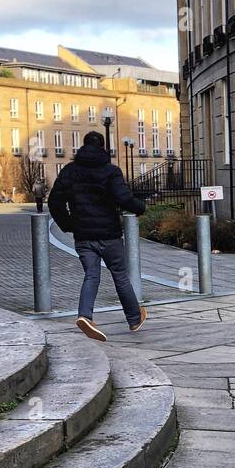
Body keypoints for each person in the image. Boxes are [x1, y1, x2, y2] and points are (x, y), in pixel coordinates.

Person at [48, 131, 148, 341]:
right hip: (109, 234)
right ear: (102, 147)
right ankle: (134, 318)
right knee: (119, 275)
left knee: (91, 275)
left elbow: (54, 202)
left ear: (83, 147)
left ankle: (85, 315)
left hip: (83, 236)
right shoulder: (110, 171)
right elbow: (123, 197)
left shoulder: (69, 171)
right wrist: (140, 208)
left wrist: (68, 224)